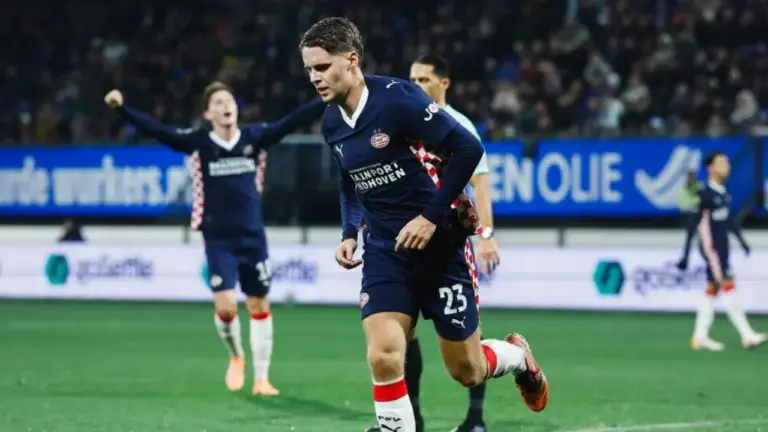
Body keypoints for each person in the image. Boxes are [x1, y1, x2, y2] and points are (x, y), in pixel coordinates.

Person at [299, 17, 548, 432]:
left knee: (467, 370)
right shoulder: (331, 123)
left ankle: (518, 357)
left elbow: (469, 149)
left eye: (322, 67)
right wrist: (349, 232)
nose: (314, 78)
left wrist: (431, 216)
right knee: (383, 355)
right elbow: (350, 181)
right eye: (309, 69)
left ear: (352, 60)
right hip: (386, 252)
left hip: (443, 251)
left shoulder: (398, 100)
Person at [104, 83, 325, 395]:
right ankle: (236, 356)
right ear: (208, 113)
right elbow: (158, 131)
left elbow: (293, 121)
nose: (226, 106)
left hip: (253, 237)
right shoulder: (198, 143)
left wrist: (328, 97)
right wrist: (122, 110)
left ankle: (262, 379)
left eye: (229, 101)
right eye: (218, 102)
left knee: (259, 304)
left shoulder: (255, 137)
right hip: (219, 238)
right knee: (226, 307)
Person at [364, 55, 500, 432]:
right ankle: (413, 418)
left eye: (425, 79)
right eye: (412, 78)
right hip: (402, 246)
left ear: (444, 83)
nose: (417, 85)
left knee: (466, 347)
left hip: (447, 244)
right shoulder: (401, 119)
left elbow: (480, 186)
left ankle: (475, 418)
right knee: (402, 337)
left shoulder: (457, 125)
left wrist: (486, 236)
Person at [677, 151, 766, 351]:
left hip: (722, 246)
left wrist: (742, 242)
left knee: (712, 288)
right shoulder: (704, 193)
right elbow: (693, 223)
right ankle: (747, 335)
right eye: (721, 163)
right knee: (727, 283)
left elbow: (729, 220)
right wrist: (685, 253)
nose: (727, 166)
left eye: (727, 162)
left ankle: (700, 336)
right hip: (712, 248)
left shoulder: (724, 191)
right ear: (710, 168)